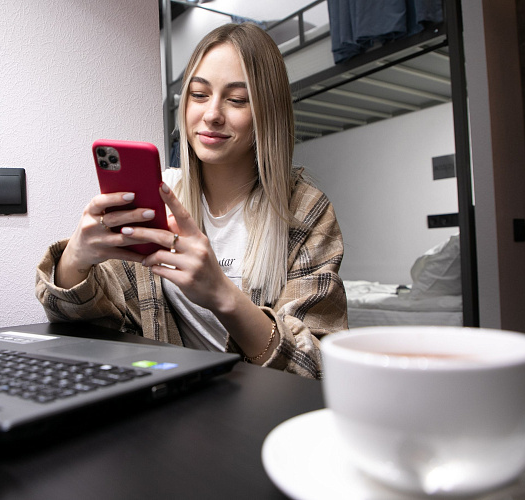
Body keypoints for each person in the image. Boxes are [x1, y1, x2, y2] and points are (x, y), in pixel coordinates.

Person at [36, 23, 347, 378]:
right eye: (199, 95)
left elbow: (318, 369)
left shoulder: (306, 211)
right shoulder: (159, 196)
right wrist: (75, 260)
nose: (212, 114)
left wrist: (222, 295)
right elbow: (93, 325)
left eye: (237, 99)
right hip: (172, 396)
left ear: (268, 112)